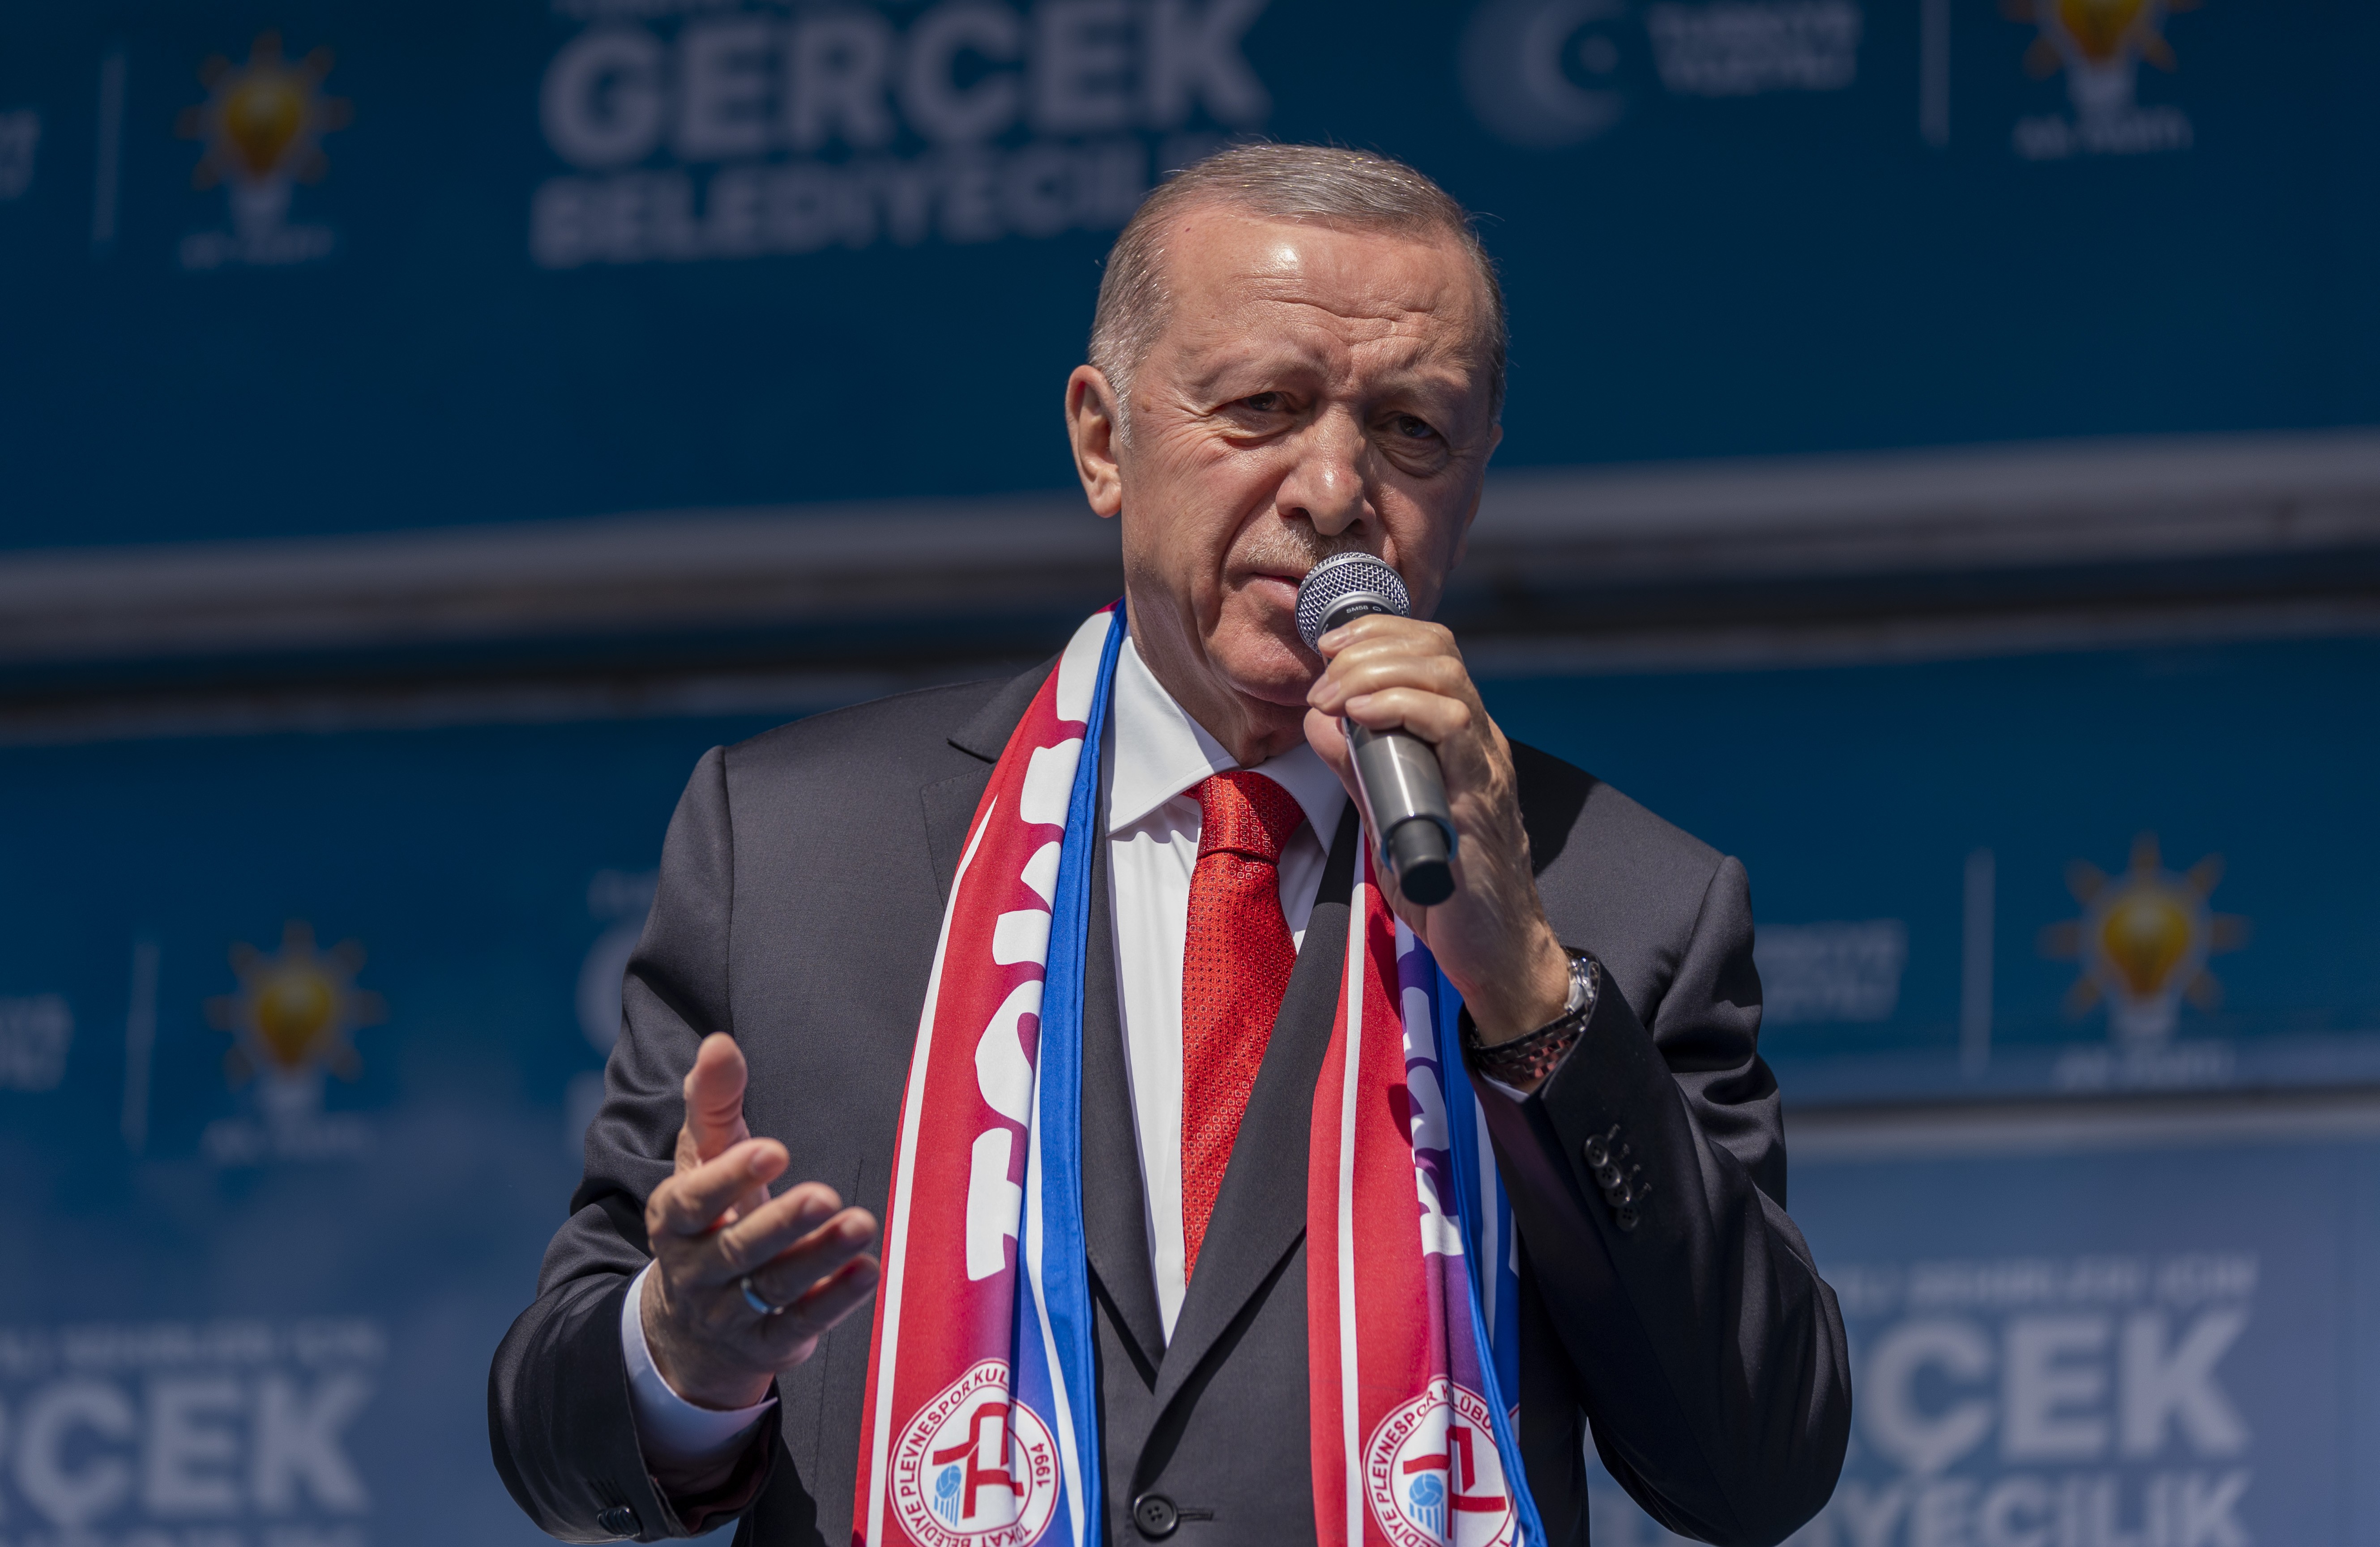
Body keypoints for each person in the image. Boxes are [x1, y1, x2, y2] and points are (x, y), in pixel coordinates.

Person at [490, 144, 1849, 1547]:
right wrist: (683, 1358)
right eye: (1263, 407)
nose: (1336, 487)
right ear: (1103, 441)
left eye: (1410, 429)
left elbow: (1760, 1460)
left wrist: (1527, 995)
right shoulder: (794, 849)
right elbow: (551, 1432)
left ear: (1476, 477)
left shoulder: (1622, 896)